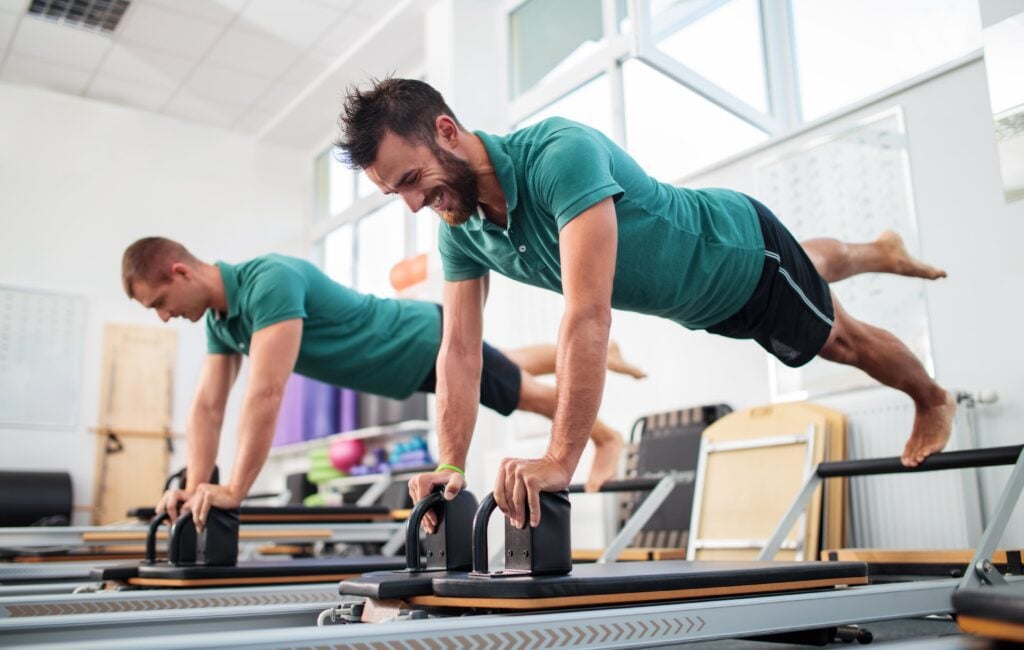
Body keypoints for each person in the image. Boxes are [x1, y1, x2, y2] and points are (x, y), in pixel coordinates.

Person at [335, 77, 955, 530]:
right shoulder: (460, 226)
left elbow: (587, 315)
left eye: (412, 180)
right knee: (812, 266)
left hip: (735, 255)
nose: (414, 205)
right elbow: (460, 350)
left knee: (838, 337)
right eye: (396, 194)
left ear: (446, 131)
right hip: (701, 302)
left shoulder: (557, 155)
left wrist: (560, 458)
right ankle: (877, 250)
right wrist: (450, 463)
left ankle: (930, 397)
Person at [121, 238, 644, 530]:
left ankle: (605, 435)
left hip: (416, 338)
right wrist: (192, 483)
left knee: (518, 394)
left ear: (180, 272)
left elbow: (265, 393)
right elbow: (208, 407)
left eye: (159, 304)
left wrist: (236, 489)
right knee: (503, 368)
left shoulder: (268, 282)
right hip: (400, 363)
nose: (165, 317)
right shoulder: (220, 320)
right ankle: (577, 360)